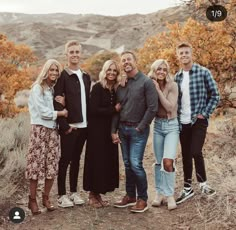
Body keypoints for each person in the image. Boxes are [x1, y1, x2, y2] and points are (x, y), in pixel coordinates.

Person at [112, 51, 158, 213]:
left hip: (138, 130)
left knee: (136, 164)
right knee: (127, 164)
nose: (126, 62)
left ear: (135, 61)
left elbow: (152, 107)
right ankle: (130, 196)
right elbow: (118, 109)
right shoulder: (122, 85)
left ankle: (142, 199)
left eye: (128, 59)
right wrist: (114, 130)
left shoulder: (146, 82)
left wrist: (141, 126)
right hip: (123, 129)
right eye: (123, 61)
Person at [174, 42, 220, 204]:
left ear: (191, 54)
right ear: (177, 56)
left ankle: (204, 184)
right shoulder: (177, 77)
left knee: (195, 151)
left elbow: (215, 95)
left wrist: (204, 113)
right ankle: (187, 188)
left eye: (186, 52)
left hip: (198, 121)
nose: (184, 55)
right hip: (182, 122)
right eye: (181, 53)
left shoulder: (203, 72)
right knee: (186, 154)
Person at [26, 59, 68, 215]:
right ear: (45, 71)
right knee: (35, 167)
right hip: (39, 131)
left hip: (52, 132)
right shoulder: (38, 88)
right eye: (52, 70)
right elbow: (43, 112)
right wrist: (60, 113)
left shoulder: (53, 90)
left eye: (57, 70)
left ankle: (46, 198)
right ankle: (32, 200)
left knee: (51, 166)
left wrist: (63, 103)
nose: (54, 73)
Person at [54, 40, 91, 208]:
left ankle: (74, 192)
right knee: (65, 160)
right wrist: (65, 126)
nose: (75, 54)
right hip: (70, 127)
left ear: (80, 54)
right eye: (72, 52)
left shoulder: (86, 76)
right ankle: (61, 195)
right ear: (66, 54)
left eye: (77, 51)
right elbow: (57, 103)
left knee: (76, 160)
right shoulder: (62, 76)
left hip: (84, 126)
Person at [83, 60, 120, 208]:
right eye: (109, 70)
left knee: (106, 161)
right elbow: (93, 110)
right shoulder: (98, 87)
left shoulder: (115, 89)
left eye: (114, 70)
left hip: (109, 130)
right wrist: (114, 109)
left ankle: (99, 194)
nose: (111, 73)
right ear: (104, 71)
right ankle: (92, 194)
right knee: (96, 160)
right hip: (96, 130)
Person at [148, 59, 179, 210]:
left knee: (168, 161)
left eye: (164, 69)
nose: (161, 72)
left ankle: (169, 194)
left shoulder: (172, 85)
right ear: (153, 70)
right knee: (159, 161)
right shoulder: (149, 84)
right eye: (158, 69)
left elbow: (169, 107)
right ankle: (159, 193)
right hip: (158, 125)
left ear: (167, 71)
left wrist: (158, 90)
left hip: (171, 126)